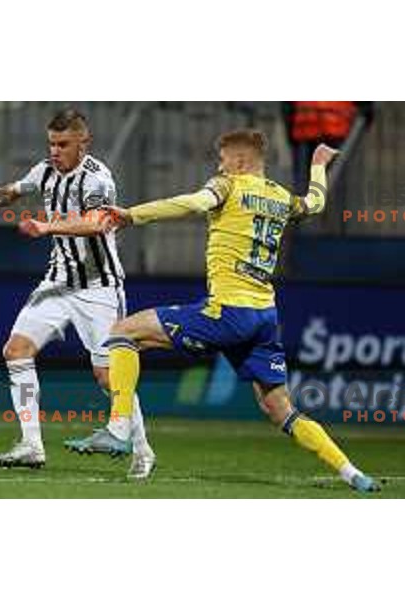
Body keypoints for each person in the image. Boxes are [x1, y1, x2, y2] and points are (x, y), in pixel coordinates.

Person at [66, 128, 380, 493]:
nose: (219, 165)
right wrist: (318, 164)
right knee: (280, 409)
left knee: (123, 332)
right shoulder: (280, 197)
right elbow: (316, 202)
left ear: (240, 161)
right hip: (264, 319)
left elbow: (194, 203)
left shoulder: (227, 186)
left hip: (227, 313)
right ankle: (353, 474)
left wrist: (130, 215)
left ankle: (118, 429)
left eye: (223, 159)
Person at [0, 109, 156, 479]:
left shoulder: (98, 179)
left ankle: (143, 450)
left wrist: (48, 226)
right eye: (51, 143)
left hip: (99, 288)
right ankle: (31, 444)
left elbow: (97, 224)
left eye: (63, 144)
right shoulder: (45, 171)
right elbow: (8, 194)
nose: (55, 151)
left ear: (84, 143)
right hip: (56, 282)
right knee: (16, 350)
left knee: (108, 376)